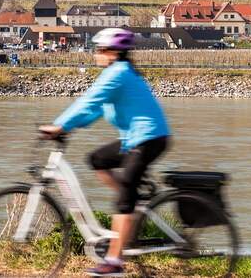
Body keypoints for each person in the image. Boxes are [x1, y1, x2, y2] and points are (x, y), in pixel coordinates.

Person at [40, 28, 170, 276]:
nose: (96, 54)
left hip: (148, 139)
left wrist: (60, 125)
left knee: (123, 200)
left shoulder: (118, 73)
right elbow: (96, 109)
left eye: (100, 50)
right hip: (135, 139)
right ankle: (131, 199)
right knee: (98, 159)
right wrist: (70, 127)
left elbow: (89, 100)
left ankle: (114, 261)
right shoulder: (117, 73)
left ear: (113, 53)